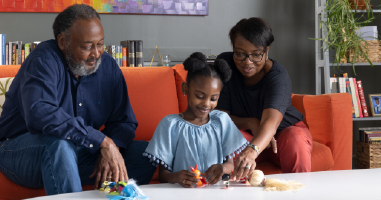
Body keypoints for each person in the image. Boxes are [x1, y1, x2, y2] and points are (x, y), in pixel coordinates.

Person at [0, 4, 155, 195]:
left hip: (76, 153)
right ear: (63, 41)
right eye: (87, 46)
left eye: (100, 44)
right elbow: (39, 112)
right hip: (19, 151)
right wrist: (100, 141)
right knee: (59, 145)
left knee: (147, 153)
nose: (96, 53)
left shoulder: (107, 66)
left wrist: (108, 149)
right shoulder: (43, 59)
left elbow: (124, 121)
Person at [216, 17, 313, 181]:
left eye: (256, 55)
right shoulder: (225, 65)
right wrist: (249, 122)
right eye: (240, 53)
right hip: (246, 135)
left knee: (295, 139)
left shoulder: (278, 77)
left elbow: (271, 121)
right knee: (223, 139)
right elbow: (220, 117)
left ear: (266, 51)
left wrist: (252, 149)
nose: (247, 62)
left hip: (284, 134)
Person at [143, 52, 248, 188]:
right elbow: (163, 175)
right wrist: (178, 176)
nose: (206, 104)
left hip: (214, 193)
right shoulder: (169, 125)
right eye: (199, 96)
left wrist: (222, 169)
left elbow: (230, 164)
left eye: (213, 99)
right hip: (182, 193)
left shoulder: (222, 121)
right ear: (185, 88)